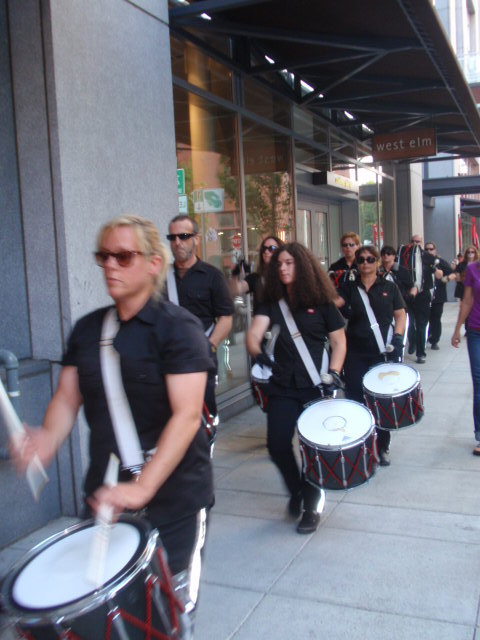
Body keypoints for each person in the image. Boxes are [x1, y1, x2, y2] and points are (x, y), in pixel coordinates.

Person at [10, 215, 214, 635]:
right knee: (104, 618)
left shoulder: (179, 329)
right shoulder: (87, 331)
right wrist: (47, 437)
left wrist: (143, 487)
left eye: (123, 256)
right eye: (103, 256)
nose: (110, 266)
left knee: (170, 618)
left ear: (154, 263)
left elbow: (187, 415)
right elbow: (67, 398)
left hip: (176, 499)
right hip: (107, 500)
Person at [246, 242, 346, 534]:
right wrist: (258, 353)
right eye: (279, 264)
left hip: (315, 386)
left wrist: (334, 373)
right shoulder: (271, 302)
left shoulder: (322, 302)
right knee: (277, 444)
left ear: (302, 266)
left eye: (289, 263)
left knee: (312, 449)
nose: (283, 268)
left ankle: (311, 506)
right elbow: (253, 334)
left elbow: (339, 342)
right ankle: (297, 490)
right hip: (282, 385)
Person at [337, 245, 406, 466]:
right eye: (361, 260)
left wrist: (398, 337)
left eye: (370, 259)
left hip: (381, 353)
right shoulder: (348, 288)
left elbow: (400, 315)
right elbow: (333, 303)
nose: (365, 263)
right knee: (356, 399)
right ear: (356, 264)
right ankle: (361, 446)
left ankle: (381, 446)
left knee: (380, 401)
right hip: (355, 353)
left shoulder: (389, 287)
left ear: (377, 262)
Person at [166, 215, 234, 426]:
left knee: (203, 418)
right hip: (168, 360)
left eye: (184, 236)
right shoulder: (160, 278)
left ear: (196, 239)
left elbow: (226, 318)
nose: (177, 242)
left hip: (201, 359)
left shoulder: (212, 276)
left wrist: (209, 346)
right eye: (172, 237)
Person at [451, 257, 480, 456]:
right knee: (479, 382)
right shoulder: (472, 269)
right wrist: (457, 329)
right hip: (476, 331)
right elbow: (467, 300)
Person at [398, 234, 436, 364]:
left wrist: (437, 271)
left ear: (421, 242)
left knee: (421, 325)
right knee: (409, 323)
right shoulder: (404, 255)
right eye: (413, 241)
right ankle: (412, 341)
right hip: (408, 295)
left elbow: (440, 271)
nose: (415, 243)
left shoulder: (428, 257)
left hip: (422, 295)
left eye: (418, 241)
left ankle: (420, 353)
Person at [230, 236, 283, 313]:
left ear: (280, 251)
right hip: (261, 319)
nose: (266, 251)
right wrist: (235, 273)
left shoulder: (284, 276)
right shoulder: (256, 278)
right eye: (264, 248)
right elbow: (236, 289)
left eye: (271, 248)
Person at [425, 241, 454, 350]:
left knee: (436, 318)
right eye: (426, 249)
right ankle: (425, 336)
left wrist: (445, 280)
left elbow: (452, 273)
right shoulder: (421, 261)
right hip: (425, 295)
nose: (429, 251)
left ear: (435, 250)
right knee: (424, 318)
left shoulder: (440, 262)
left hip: (438, 295)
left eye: (431, 249)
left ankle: (434, 341)